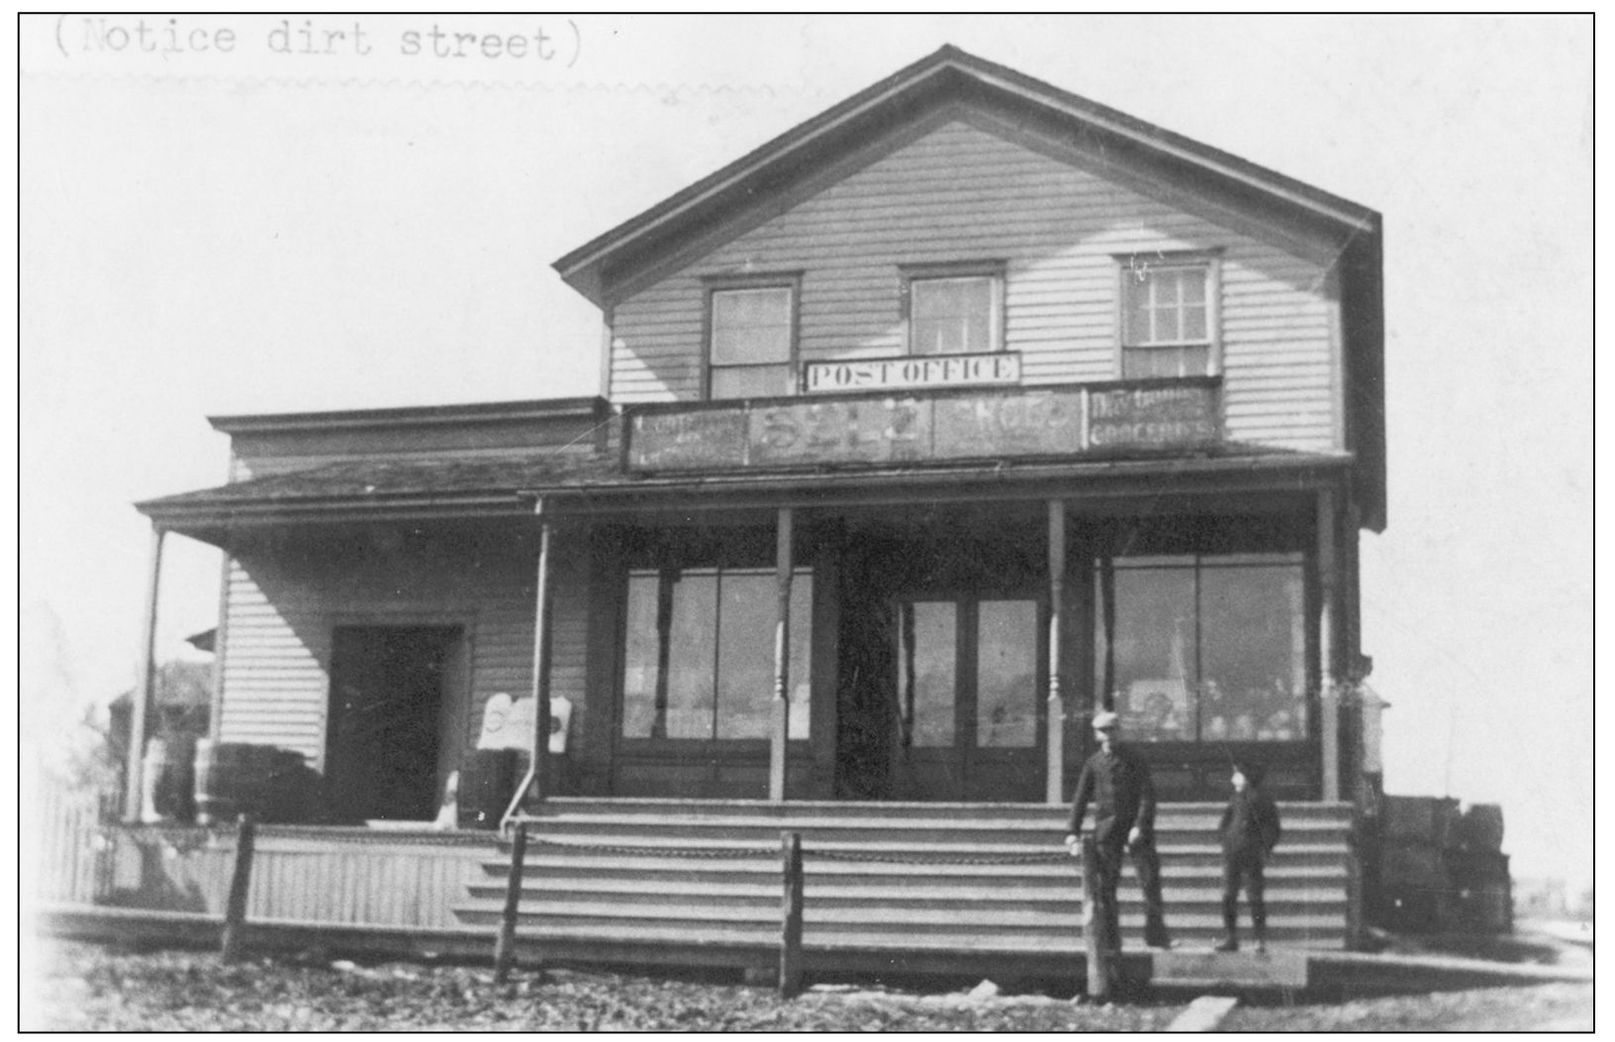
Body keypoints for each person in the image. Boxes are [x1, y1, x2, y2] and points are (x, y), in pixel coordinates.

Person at [1064, 710, 1172, 952]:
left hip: (1135, 830)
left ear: (1119, 731)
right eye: (1103, 731)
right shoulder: (1093, 763)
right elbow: (1080, 799)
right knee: (1106, 888)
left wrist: (1140, 826)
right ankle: (1112, 941)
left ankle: (1156, 936)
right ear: (1096, 735)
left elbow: (1147, 797)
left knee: (1149, 882)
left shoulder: (1135, 759)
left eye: (1112, 730)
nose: (1108, 735)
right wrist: (1072, 831)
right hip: (1107, 830)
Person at [1215, 761, 1282, 952]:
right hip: (1232, 854)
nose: (1233, 778)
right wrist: (1224, 839)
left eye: (1237, 774)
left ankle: (1259, 939)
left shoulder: (1263, 800)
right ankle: (1231, 937)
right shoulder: (1235, 798)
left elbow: (1273, 828)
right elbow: (1225, 821)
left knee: (1254, 898)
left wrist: (1264, 848)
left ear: (1247, 777)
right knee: (1228, 896)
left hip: (1252, 855)